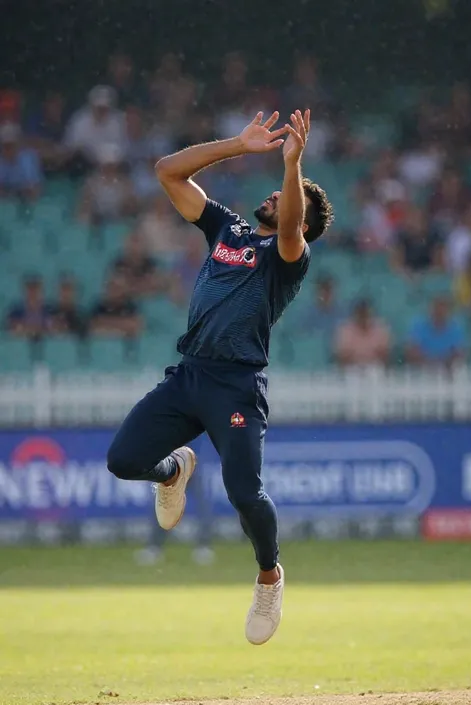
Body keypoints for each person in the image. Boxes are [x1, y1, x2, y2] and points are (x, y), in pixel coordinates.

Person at [106, 109, 333, 645]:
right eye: (280, 191)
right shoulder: (228, 228)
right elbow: (168, 172)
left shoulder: (287, 258)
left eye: (285, 197)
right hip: (190, 375)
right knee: (123, 460)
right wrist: (237, 143)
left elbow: (294, 225)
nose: (275, 197)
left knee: (245, 493)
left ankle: (269, 578)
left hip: (236, 386)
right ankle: (172, 472)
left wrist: (293, 166)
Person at [406, 296, 467, 369]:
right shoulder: (419, 326)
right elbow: (411, 352)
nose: (440, 311)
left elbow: (459, 354)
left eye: (443, 309)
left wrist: (444, 363)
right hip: (421, 371)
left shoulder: (455, 328)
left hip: (447, 371)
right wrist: (431, 363)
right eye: (437, 308)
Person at [335, 299, 391, 367]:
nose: (363, 318)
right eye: (360, 314)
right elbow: (343, 357)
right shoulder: (346, 329)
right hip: (351, 369)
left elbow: (385, 355)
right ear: (355, 314)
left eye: (365, 314)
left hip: (375, 368)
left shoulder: (380, 327)